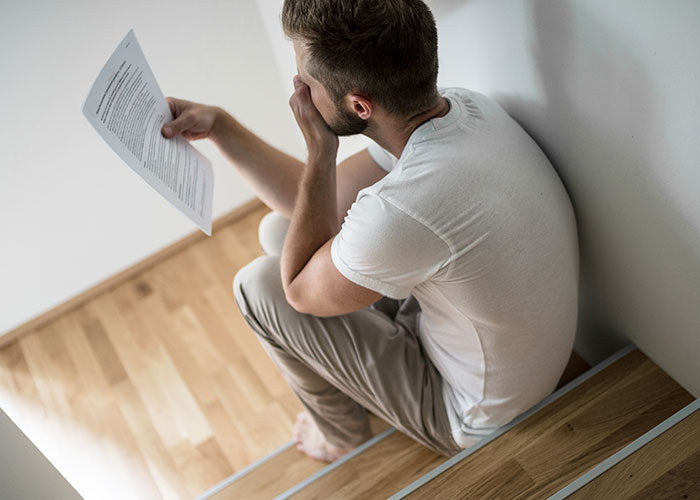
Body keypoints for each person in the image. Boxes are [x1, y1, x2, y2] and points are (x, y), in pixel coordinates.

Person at [161, 0, 579, 462]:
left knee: (257, 286)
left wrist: (320, 150)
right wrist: (221, 127)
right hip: (508, 356)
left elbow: (298, 291)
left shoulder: (403, 208)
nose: (298, 88)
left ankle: (338, 433)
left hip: (474, 412)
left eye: (306, 79)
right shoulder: (461, 110)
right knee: (281, 231)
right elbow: (318, 203)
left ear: (358, 105)